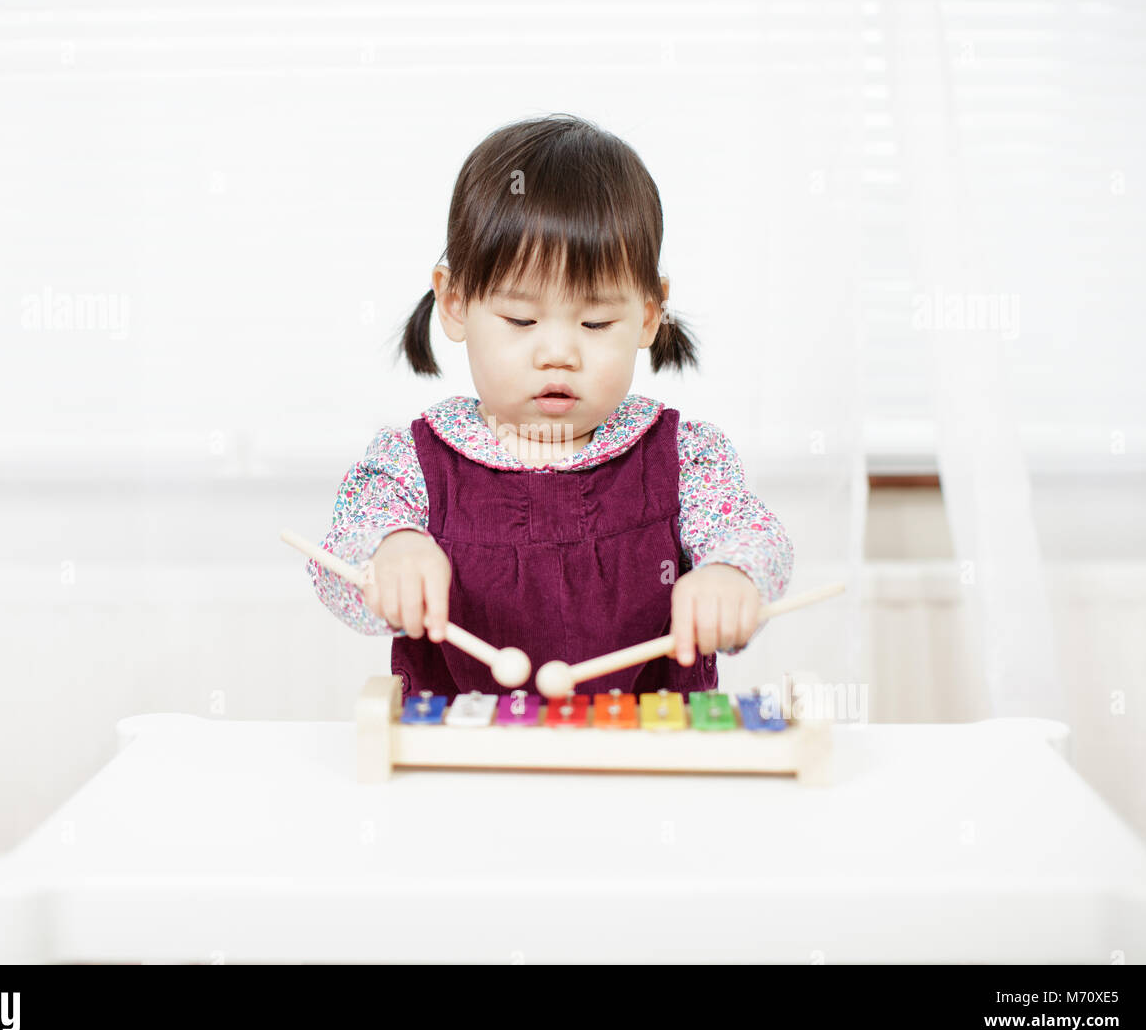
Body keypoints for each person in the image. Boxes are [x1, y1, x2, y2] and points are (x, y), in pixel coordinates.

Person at [308, 113, 793, 699]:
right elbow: (337, 560)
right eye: (521, 319)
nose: (559, 353)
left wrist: (731, 574)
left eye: (595, 321)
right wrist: (390, 553)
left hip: (645, 768)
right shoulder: (409, 463)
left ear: (647, 315)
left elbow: (755, 534)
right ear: (456, 302)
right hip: (463, 773)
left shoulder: (685, 458)